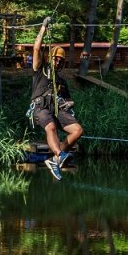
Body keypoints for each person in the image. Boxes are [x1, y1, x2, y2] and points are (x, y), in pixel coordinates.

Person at [30, 17, 84, 181]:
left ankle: (55, 159)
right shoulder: (40, 70)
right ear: (50, 58)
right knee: (51, 126)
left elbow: (67, 99)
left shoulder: (61, 81)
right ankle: (59, 154)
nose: (58, 62)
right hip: (41, 109)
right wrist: (43, 28)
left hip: (57, 109)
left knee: (77, 130)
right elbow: (36, 48)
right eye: (56, 58)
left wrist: (69, 102)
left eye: (61, 60)